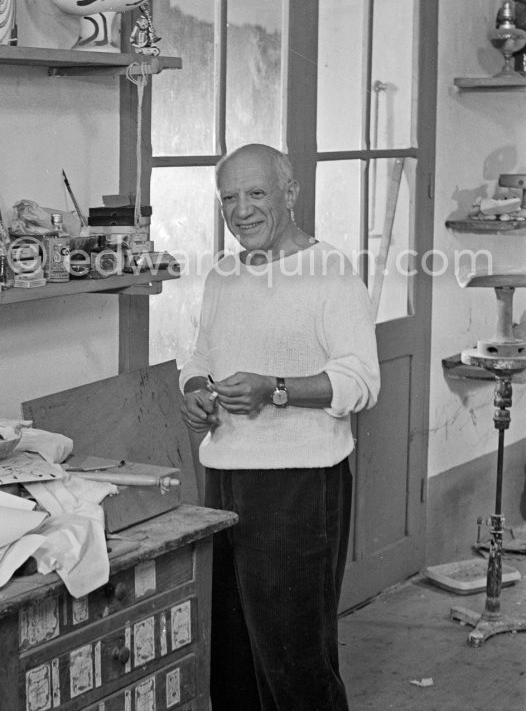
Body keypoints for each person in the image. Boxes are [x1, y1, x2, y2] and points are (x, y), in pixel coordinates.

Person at [180, 143, 380, 711]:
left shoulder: (330, 273)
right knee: (232, 657)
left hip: (298, 484)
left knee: (295, 661)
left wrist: (278, 388)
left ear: (291, 194)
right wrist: (195, 391)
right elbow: (199, 358)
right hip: (223, 482)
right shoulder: (223, 274)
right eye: (229, 198)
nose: (241, 210)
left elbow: (363, 381)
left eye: (256, 193)